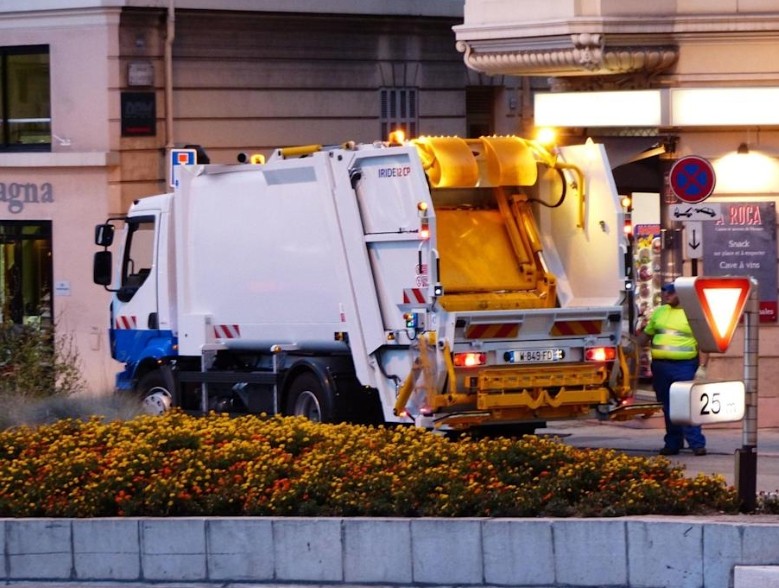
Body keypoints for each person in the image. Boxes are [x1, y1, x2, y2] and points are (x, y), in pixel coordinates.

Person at [637, 281, 708, 456]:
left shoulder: (693, 314)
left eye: (670, 293)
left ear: (682, 294)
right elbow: (647, 335)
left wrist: (703, 367)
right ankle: (673, 443)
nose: (666, 296)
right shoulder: (660, 312)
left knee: (686, 405)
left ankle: (696, 444)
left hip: (684, 366)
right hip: (661, 367)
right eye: (665, 292)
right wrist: (631, 347)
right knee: (668, 407)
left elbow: (704, 343)